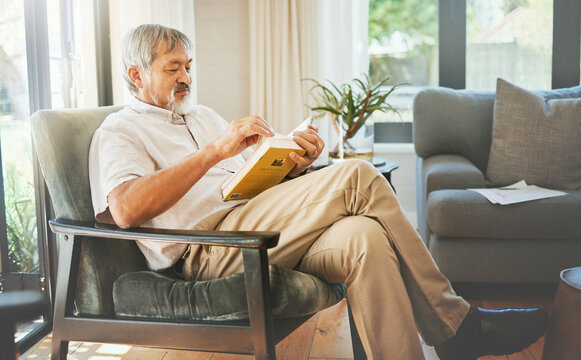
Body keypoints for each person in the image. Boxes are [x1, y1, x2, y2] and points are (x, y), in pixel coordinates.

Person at [89, 24, 548, 360]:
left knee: (364, 239)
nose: (186, 76)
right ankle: (456, 324)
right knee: (359, 177)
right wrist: (214, 151)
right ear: (136, 74)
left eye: (188, 66)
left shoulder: (201, 115)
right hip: (211, 250)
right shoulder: (120, 131)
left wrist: (289, 166)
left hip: (255, 227)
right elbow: (127, 210)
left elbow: (237, 187)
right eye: (173, 68)